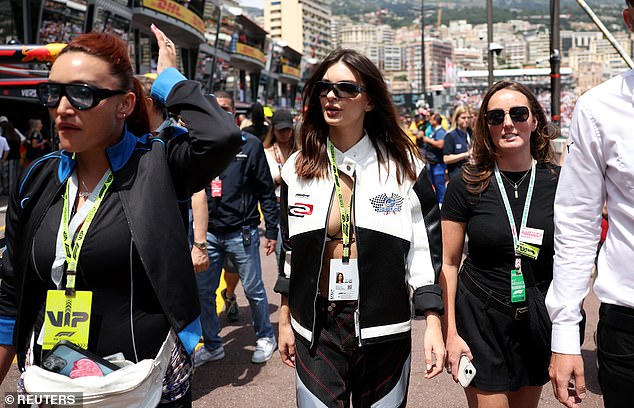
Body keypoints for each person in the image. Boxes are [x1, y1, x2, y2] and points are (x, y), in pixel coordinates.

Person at [0, 27, 242, 406]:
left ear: (125, 104)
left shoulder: (159, 162)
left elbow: (222, 136)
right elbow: (11, 290)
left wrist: (169, 81)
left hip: (142, 386)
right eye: (54, 93)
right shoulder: (38, 178)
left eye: (81, 94)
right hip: (54, 385)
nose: (62, 108)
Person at [275, 48, 445, 407]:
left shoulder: (405, 168)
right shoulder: (296, 168)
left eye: (346, 89)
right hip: (317, 330)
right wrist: (286, 318)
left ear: (369, 101)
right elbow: (289, 249)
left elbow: (423, 251)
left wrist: (432, 322)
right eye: (324, 88)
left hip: (385, 330)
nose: (332, 96)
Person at [440, 80, 559, 408]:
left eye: (518, 113)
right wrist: (450, 331)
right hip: (480, 316)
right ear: (486, 126)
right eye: (496, 117)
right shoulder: (466, 183)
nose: (508, 122)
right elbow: (448, 264)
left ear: (534, 120)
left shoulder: (558, 182)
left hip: (535, 316)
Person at [546, 2, 634, 406]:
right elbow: (576, 223)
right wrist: (565, 334)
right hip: (628, 325)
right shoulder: (598, 108)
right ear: (629, 19)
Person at [192, 90, 279, 367]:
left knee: (253, 290)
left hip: (243, 232)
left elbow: (266, 189)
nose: (220, 111)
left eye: (226, 107)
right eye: (215, 107)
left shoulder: (250, 145)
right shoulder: (200, 144)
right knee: (203, 292)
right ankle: (213, 344)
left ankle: (266, 337)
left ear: (234, 113)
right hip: (208, 234)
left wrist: (273, 231)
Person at [263, 108, 296, 262]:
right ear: (273, 130)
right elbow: (263, 186)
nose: (285, 133)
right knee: (282, 255)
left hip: (296, 205)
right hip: (277, 206)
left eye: (288, 129)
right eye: (281, 130)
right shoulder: (266, 153)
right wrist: (279, 178)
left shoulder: (298, 152)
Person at [420, 113, 447, 203]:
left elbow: (440, 144)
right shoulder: (434, 131)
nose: (429, 121)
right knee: (434, 184)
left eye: (431, 119)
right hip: (432, 163)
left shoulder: (440, 132)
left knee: (439, 184)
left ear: (435, 121)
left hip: (438, 164)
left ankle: (441, 203)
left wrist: (428, 140)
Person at [443, 106, 472, 182]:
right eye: (463, 118)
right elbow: (446, 159)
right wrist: (466, 154)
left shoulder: (472, 134)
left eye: (468, 118)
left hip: (472, 175)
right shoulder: (451, 136)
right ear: (456, 119)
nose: (466, 120)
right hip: (457, 177)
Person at [0, 117, 23, 195]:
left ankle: (9, 191)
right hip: (17, 157)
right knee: (15, 175)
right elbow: (23, 140)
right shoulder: (15, 135)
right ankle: (14, 191)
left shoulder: (4, 137)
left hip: (8, 158)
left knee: (7, 176)